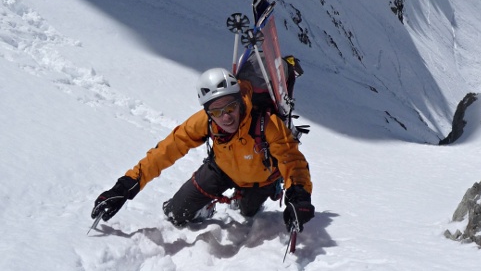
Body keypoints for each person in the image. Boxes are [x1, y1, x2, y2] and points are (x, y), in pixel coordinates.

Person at [91, 67, 314, 233]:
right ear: (208, 112)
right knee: (175, 215)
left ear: (240, 101)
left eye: (231, 107)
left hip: (260, 179)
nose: (225, 116)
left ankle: (259, 192)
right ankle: (206, 205)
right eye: (217, 112)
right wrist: (126, 185)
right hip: (221, 170)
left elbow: (291, 160)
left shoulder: (267, 123)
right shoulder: (205, 122)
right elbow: (166, 151)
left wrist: (299, 195)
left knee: (248, 213)